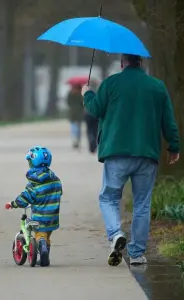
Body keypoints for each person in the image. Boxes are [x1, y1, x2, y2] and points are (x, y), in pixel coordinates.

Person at [82, 54, 180, 267]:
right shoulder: (157, 86)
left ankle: (116, 233)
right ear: (141, 62)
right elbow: (168, 120)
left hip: (117, 152)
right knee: (142, 204)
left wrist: (87, 93)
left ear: (122, 63)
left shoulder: (111, 83)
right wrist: (174, 146)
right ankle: (136, 254)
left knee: (109, 197)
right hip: (147, 154)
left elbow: (95, 110)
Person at [5, 146, 63, 267]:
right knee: (47, 235)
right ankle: (44, 256)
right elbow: (60, 192)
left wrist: (13, 204)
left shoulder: (34, 183)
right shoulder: (56, 180)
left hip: (40, 216)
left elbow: (25, 198)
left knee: (40, 235)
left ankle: (41, 246)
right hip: (53, 217)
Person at [66, 84, 84, 149]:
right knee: (76, 128)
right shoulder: (80, 94)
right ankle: (76, 141)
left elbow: (68, 102)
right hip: (77, 113)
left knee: (74, 128)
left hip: (74, 113)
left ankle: (75, 141)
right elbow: (83, 103)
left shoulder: (70, 94)